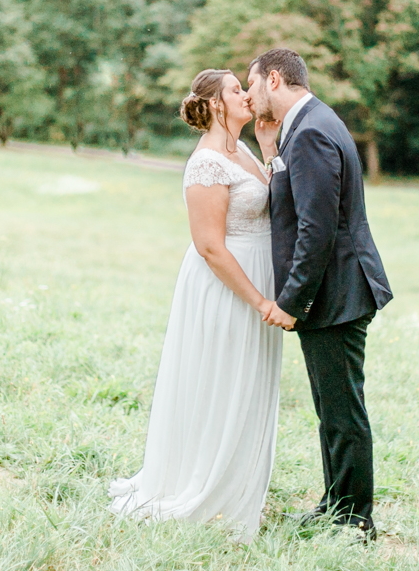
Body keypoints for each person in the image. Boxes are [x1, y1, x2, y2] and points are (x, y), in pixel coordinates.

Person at [108, 68, 285, 541]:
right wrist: (259, 301)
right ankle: (206, 487)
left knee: (246, 383)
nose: (247, 94)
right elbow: (209, 246)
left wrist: (269, 150)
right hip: (227, 287)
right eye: (235, 89)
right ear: (215, 104)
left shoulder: (242, 150)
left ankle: (238, 483)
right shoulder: (206, 163)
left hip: (256, 277)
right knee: (221, 380)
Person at [246, 47, 393, 541]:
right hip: (335, 293)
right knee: (331, 409)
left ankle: (356, 520)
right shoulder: (308, 125)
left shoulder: (310, 130)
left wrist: (291, 301)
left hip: (336, 294)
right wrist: (270, 153)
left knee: (343, 411)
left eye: (250, 86)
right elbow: (299, 202)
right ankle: (336, 505)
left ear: (273, 79)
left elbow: (316, 228)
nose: (248, 98)